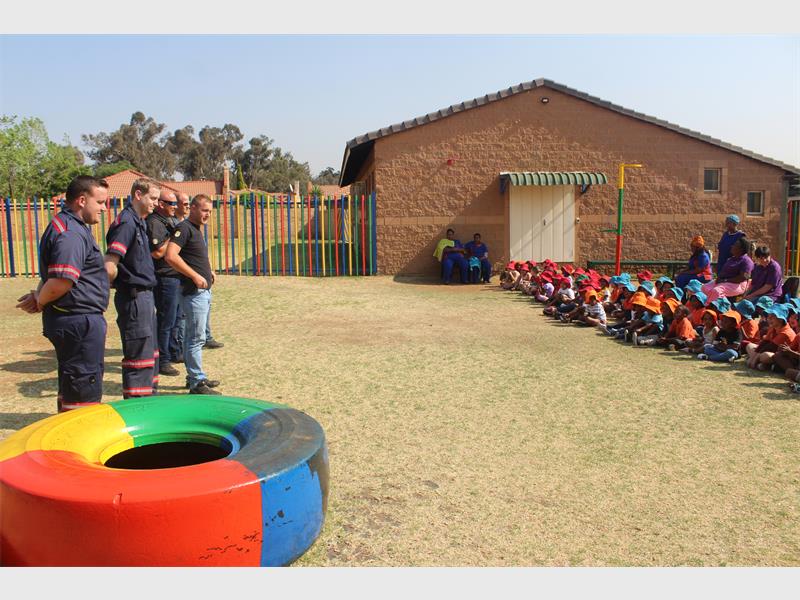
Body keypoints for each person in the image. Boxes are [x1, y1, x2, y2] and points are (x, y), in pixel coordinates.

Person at [15, 176, 110, 412]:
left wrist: (39, 295)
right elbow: (61, 280)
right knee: (82, 391)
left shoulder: (68, 226)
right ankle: (78, 434)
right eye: (100, 202)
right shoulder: (71, 233)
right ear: (81, 200)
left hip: (74, 319)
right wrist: (39, 300)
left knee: (72, 385)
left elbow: (53, 275)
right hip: (78, 322)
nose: (104, 208)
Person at [105, 178, 160, 399]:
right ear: (138, 195)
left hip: (145, 296)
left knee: (150, 354)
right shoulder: (126, 223)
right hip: (134, 297)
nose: (156, 203)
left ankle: (150, 402)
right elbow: (110, 263)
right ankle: (138, 407)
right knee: (139, 357)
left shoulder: (139, 222)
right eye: (152, 198)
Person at [165, 194, 221, 395]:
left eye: (210, 212)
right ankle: (197, 381)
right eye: (205, 210)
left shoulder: (195, 229)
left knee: (195, 337)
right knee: (195, 338)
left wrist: (208, 271)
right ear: (194, 208)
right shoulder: (184, 228)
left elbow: (193, 257)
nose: (208, 215)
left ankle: (194, 377)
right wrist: (195, 276)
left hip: (202, 292)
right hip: (194, 293)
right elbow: (170, 256)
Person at [147, 189, 182, 377]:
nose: (175, 207)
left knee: (175, 319)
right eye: (172, 203)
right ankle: (163, 360)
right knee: (165, 321)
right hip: (164, 278)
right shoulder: (154, 222)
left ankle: (174, 352)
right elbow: (158, 252)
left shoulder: (167, 220)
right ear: (161, 204)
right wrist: (175, 236)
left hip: (174, 276)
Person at [701, 237, 753, 303]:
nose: (732, 246)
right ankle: (705, 305)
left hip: (737, 284)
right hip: (724, 282)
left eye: (735, 245)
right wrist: (719, 279)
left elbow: (743, 278)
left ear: (741, 249)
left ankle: (714, 307)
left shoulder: (746, 261)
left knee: (716, 291)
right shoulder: (731, 259)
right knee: (704, 288)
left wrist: (725, 280)